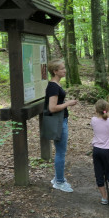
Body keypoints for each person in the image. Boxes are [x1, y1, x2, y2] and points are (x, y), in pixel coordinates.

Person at [45, 59, 78, 193]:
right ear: (55, 71)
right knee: (60, 153)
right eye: (62, 68)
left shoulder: (56, 84)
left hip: (61, 120)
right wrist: (68, 103)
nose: (65, 70)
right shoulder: (53, 86)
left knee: (60, 151)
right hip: (58, 122)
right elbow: (52, 108)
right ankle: (59, 182)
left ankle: (57, 177)